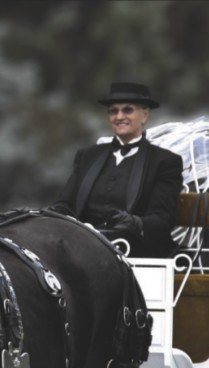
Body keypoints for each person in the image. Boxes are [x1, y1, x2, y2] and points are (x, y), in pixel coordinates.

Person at [51, 82, 183, 257]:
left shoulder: (164, 162)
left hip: (134, 252)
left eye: (127, 110)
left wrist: (135, 223)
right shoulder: (87, 157)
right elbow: (64, 204)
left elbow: (162, 219)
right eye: (113, 111)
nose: (119, 116)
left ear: (144, 115)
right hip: (82, 247)